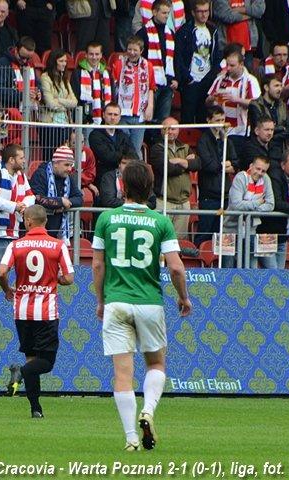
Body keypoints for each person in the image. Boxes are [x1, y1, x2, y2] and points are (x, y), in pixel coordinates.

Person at [91, 160, 191, 451]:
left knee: (123, 374)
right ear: (150, 188)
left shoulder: (106, 218)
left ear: (122, 186)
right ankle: (147, 411)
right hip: (149, 303)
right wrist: (183, 297)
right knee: (156, 363)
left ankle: (131, 438)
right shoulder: (160, 222)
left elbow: (97, 265)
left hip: (116, 302)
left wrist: (101, 300)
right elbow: (176, 268)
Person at [0, 204, 74, 418]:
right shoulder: (57, 245)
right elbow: (69, 278)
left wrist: (7, 290)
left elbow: (1, 272)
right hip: (46, 312)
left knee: (31, 360)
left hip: (22, 312)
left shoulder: (16, 245)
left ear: (28, 221)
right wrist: (55, 279)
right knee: (46, 363)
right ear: (45, 222)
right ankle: (20, 372)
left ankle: (35, 409)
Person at [0, 143, 35, 262]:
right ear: (11, 160)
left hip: (14, 233)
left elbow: (31, 196)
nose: (24, 161)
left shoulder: (21, 176)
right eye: (21, 158)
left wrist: (23, 206)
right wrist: (14, 206)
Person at [148, 117, 199, 240]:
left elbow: (197, 165)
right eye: (167, 129)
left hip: (183, 202)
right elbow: (168, 169)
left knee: (179, 242)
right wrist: (186, 163)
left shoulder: (185, 147)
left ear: (178, 130)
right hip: (164, 201)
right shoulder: (157, 148)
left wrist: (179, 161)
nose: (170, 131)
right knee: (160, 238)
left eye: (173, 129)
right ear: (161, 130)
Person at [194, 105, 238, 245]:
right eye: (217, 120)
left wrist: (223, 165)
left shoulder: (227, 140)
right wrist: (225, 165)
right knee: (205, 234)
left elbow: (235, 163)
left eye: (223, 120)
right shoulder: (203, 140)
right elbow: (209, 166)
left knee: (223, 237)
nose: (221, 123)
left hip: (225, 195)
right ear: (209, 120)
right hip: (209, 196)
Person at [223, 156, 275, 268]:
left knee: (250, 268)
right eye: (258, 168)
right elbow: (236, 205)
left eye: (263, 171)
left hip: (251, 231)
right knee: (227, 268)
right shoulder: (240, 177)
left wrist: (251, 209)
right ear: (251, 166)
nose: (260, 173)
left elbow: (271, 205)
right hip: (229, 230)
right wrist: (257, 203)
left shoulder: (266, 179)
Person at [174, 0, 220, 124]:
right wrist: (188, 78)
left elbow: (217, 56)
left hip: (207, 81)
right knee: (187, 119)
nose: (204, 14)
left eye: (206, 11)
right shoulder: (184, 31)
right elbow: (178, 57)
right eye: (200, 11)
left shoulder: (213, 30)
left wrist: (211, 77)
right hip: (191, 81)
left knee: (204, 118)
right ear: (193, 13)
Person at [206, 48, 260, 154]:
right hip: (221, 129)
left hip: (242, 130)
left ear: (241, 64)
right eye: (227, 65)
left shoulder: (250, 80)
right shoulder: (220, 79)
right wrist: (212, 98)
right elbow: (207, 103)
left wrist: (236, 100)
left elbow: (256, 105)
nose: (228, 68)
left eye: (232, 65)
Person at [111, 35, 156, 158]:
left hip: (140, 115)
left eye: (135, 50)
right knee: (122, 148)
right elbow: (113, 87)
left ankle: (137, 170)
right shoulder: (119, 64)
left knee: (136, 150)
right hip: (122, 114)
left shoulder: (148, 66)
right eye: (129, 49)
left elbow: (151, 87)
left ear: (141, 51)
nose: (132, 53)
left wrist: (150, 106)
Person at [29, 145, 83, 242]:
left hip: (57, 233)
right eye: (66, 165)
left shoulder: (68, 177)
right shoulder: (40, 174)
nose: (70, 169)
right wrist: (60, 202)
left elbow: (79, 198)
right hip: (38, 232)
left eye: (71, 165)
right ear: (56, 163)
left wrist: (64, 204)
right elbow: (38, 199)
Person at [136, 0, 177, 123]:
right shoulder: (143, 33)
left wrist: (176, 78)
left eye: (168, 13)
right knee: (148, 119)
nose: (166, 16)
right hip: (149, 83)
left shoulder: (170, 33)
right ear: (154, 12)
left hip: (167, 84)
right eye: (164, 13)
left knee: (163, 121)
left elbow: (175, 58)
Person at [88, 102, 135, 187]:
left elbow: (133, 155)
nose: (112, 117)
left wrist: (118, 156)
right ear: (103, 115)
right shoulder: (95, 135)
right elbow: (106, 157)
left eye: (116, 115)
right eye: (110, 114)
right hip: (103, 177)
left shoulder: (123, 135)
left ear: (120, 117)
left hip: (124, 176)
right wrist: (123, 155)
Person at [39, 49, 78, 152]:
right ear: (53, 62)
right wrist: (66, 104)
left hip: (65, 123)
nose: (64, 64)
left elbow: (74, 102)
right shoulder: (45, 77)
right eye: (61, 61)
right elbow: (50, 104)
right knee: (50, 155)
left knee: (64, 155)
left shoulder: (64, 79)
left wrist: (58, 100)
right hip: (49, 125)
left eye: (65, 61)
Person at [211, 0, 265, 71]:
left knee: (247, 74)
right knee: (225, 74)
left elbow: (260, 9)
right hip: (226, 48)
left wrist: (240, 9)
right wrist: (250, 15)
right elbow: (227, 16)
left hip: (247, 48)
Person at [0, 37, 41, 110]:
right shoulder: (2, 64)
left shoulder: (30, 64)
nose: (25, 61)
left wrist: (38, 92)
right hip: (8, 109)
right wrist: (22, 95)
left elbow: (38, 84)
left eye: (28, 58)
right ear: (16, 50)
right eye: (22, 57)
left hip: (29, 110)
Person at [248, 75, 289, 161]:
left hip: (281, 150)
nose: (280, 89)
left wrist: (273, 135)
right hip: (261, 151)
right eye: (276, 86)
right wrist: (282, 128)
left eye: (281, 86)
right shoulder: (255, 105)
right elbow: (260, 128)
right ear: (266, 87)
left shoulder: (282, 105)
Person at [70, 42, 112, 129]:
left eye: (97, 54)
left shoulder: (106, 72)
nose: (94, 57)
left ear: (101, 55)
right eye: (91, 54)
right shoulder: (78, 72)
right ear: (86, 55)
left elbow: (112, 95)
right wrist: (83, 118)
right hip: (86, 120)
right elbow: (75, 96)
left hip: (104, 119)